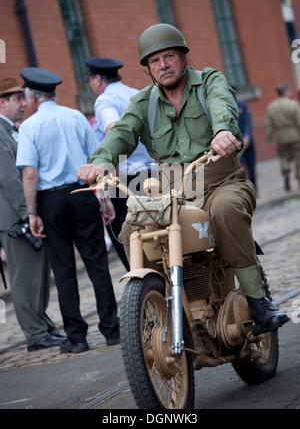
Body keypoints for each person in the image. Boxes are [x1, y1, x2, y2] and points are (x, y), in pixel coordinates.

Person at [77, 23, 289, 336]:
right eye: (154, 61)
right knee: (131, 227)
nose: (162, 65)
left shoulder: (209, 82)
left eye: (168, 56)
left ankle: (259, 302)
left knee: (225, 212)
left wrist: (224, 132)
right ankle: (154, 305)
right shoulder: (144, 102)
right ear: (148, 69)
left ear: (182, 56)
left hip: (221, 182)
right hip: (172, 189)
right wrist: (100, 162)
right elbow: (120, 133)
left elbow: (223, 107)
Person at [16, 68, 120, 353]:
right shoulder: (75, 116)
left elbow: (29, 175)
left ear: (33, 96)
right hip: (83, 195)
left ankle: (77, 337)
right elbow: (98, 159)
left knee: (63, 270)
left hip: (51, 202)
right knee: (98, 264)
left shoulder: (29, 126)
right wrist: (105, 198)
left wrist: (33, 213)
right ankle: (112, 329)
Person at [0, 77, 65, 352]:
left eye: (23, 98)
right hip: (14, 218)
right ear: (1, 103)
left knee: (38, 275)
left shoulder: (11, 130)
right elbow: (9, 179)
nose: (24, 104)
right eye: (17, 99)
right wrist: (28, 214)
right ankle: (35, 334)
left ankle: (42, 324)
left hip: (22, 215)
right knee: (25, 277)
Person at [85, 57, 154, 270]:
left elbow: (113, 131)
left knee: (129, 245)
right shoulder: (136, 93)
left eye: (89, 79)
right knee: (157, 237)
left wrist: (109, 187)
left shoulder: (105, 100)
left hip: (126, 181)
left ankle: (146, 292)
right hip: (155, 174)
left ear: (97, 79)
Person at [266, 82, 300, 191]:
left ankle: (286, 173)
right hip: (295, 136)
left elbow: (269, 126)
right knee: (298, 159)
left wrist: (270, 139)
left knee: (284, 157)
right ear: (286, 92)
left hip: (281, 138)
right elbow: (298, 121)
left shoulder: (271, 107)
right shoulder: (293, 104)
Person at [237, 99, 257, 191]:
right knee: (241, 171)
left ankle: (255, 190)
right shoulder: (223, 105)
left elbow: (247, 121)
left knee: (252, 168)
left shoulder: (241, 104)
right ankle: (248, 191)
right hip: (237, 147)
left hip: (248, 143)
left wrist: (246, 136)